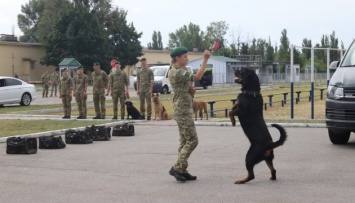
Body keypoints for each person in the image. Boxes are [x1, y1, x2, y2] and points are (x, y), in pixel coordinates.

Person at [168, 47, 211, 182]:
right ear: (177, 58)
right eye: (185, 57)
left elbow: (186, 86)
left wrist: (190, 90)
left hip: (185, 109)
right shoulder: (176, 72)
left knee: (184, 141)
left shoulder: (182, 70)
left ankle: (182, 169)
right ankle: (176, 168)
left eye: (187, 56)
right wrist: (205, 59)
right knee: (193, 140)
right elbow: (198, 77)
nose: (187, 59)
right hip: (182, 111)